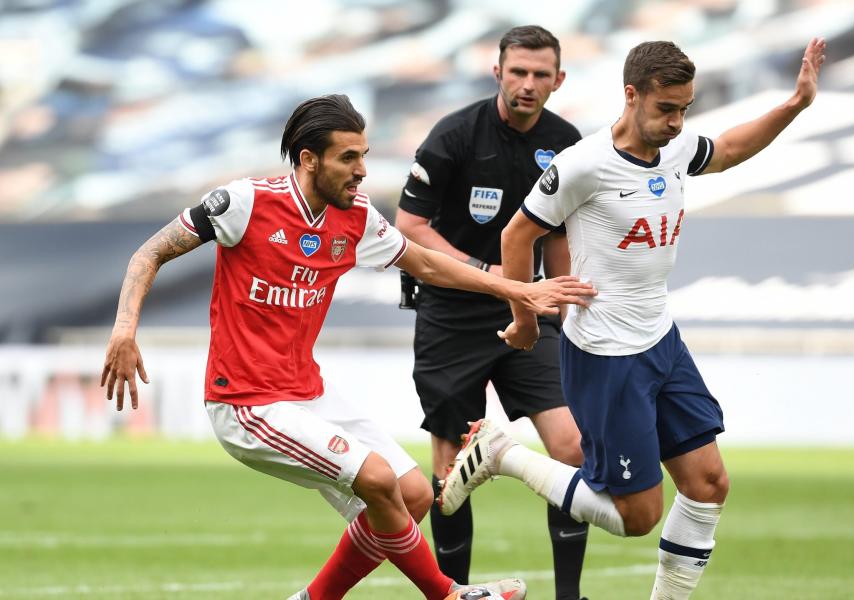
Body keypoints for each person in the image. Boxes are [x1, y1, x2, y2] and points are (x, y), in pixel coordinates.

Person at [100, 94, 596, 600]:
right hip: (246, 402)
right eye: (348, 158)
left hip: (306, 392)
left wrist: (516, 288)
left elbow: (425, 264)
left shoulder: (355, 217)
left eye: (363, 155)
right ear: (309, 159)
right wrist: (124, 329)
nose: (362, 170)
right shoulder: (245, 203)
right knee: (379, 481)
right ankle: (446, 594)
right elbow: (152, 252)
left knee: (415, 494)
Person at [440, 38, 828, 599]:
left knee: (709, 483)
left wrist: (794, 106)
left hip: (661, 340)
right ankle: (505, 455)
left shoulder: (674, 146)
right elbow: (516, 233)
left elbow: (727, 149)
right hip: (606, 355)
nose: (676, 122)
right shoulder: (584, 164)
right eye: (666, 109)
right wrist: (525, 314)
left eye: (684, 110)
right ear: (631, 95)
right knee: (636, 516)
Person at [395, 25, 589, 600]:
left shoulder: (568, 141)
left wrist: (564, 297)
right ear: (497, 72)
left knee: (572, 446)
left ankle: (569, 597)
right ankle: (453, 593)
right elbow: (410, 225)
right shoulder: (454, 136)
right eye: (518, 72)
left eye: (540, 75)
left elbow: (558, 232)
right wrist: (490, 278)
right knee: (452, 467)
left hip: (530, 309)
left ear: (558, 80)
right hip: (451, 314)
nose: (528, 85)